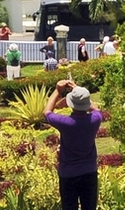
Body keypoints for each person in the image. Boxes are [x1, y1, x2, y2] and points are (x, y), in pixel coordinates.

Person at [45, 79, 104, 210]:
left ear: (70, 103)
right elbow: (96, 108)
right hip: (89, 171)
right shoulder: (95, 120)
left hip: (68, 173)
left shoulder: (65, 122)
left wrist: (57, 90)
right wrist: (78, 89)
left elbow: (47, 112)